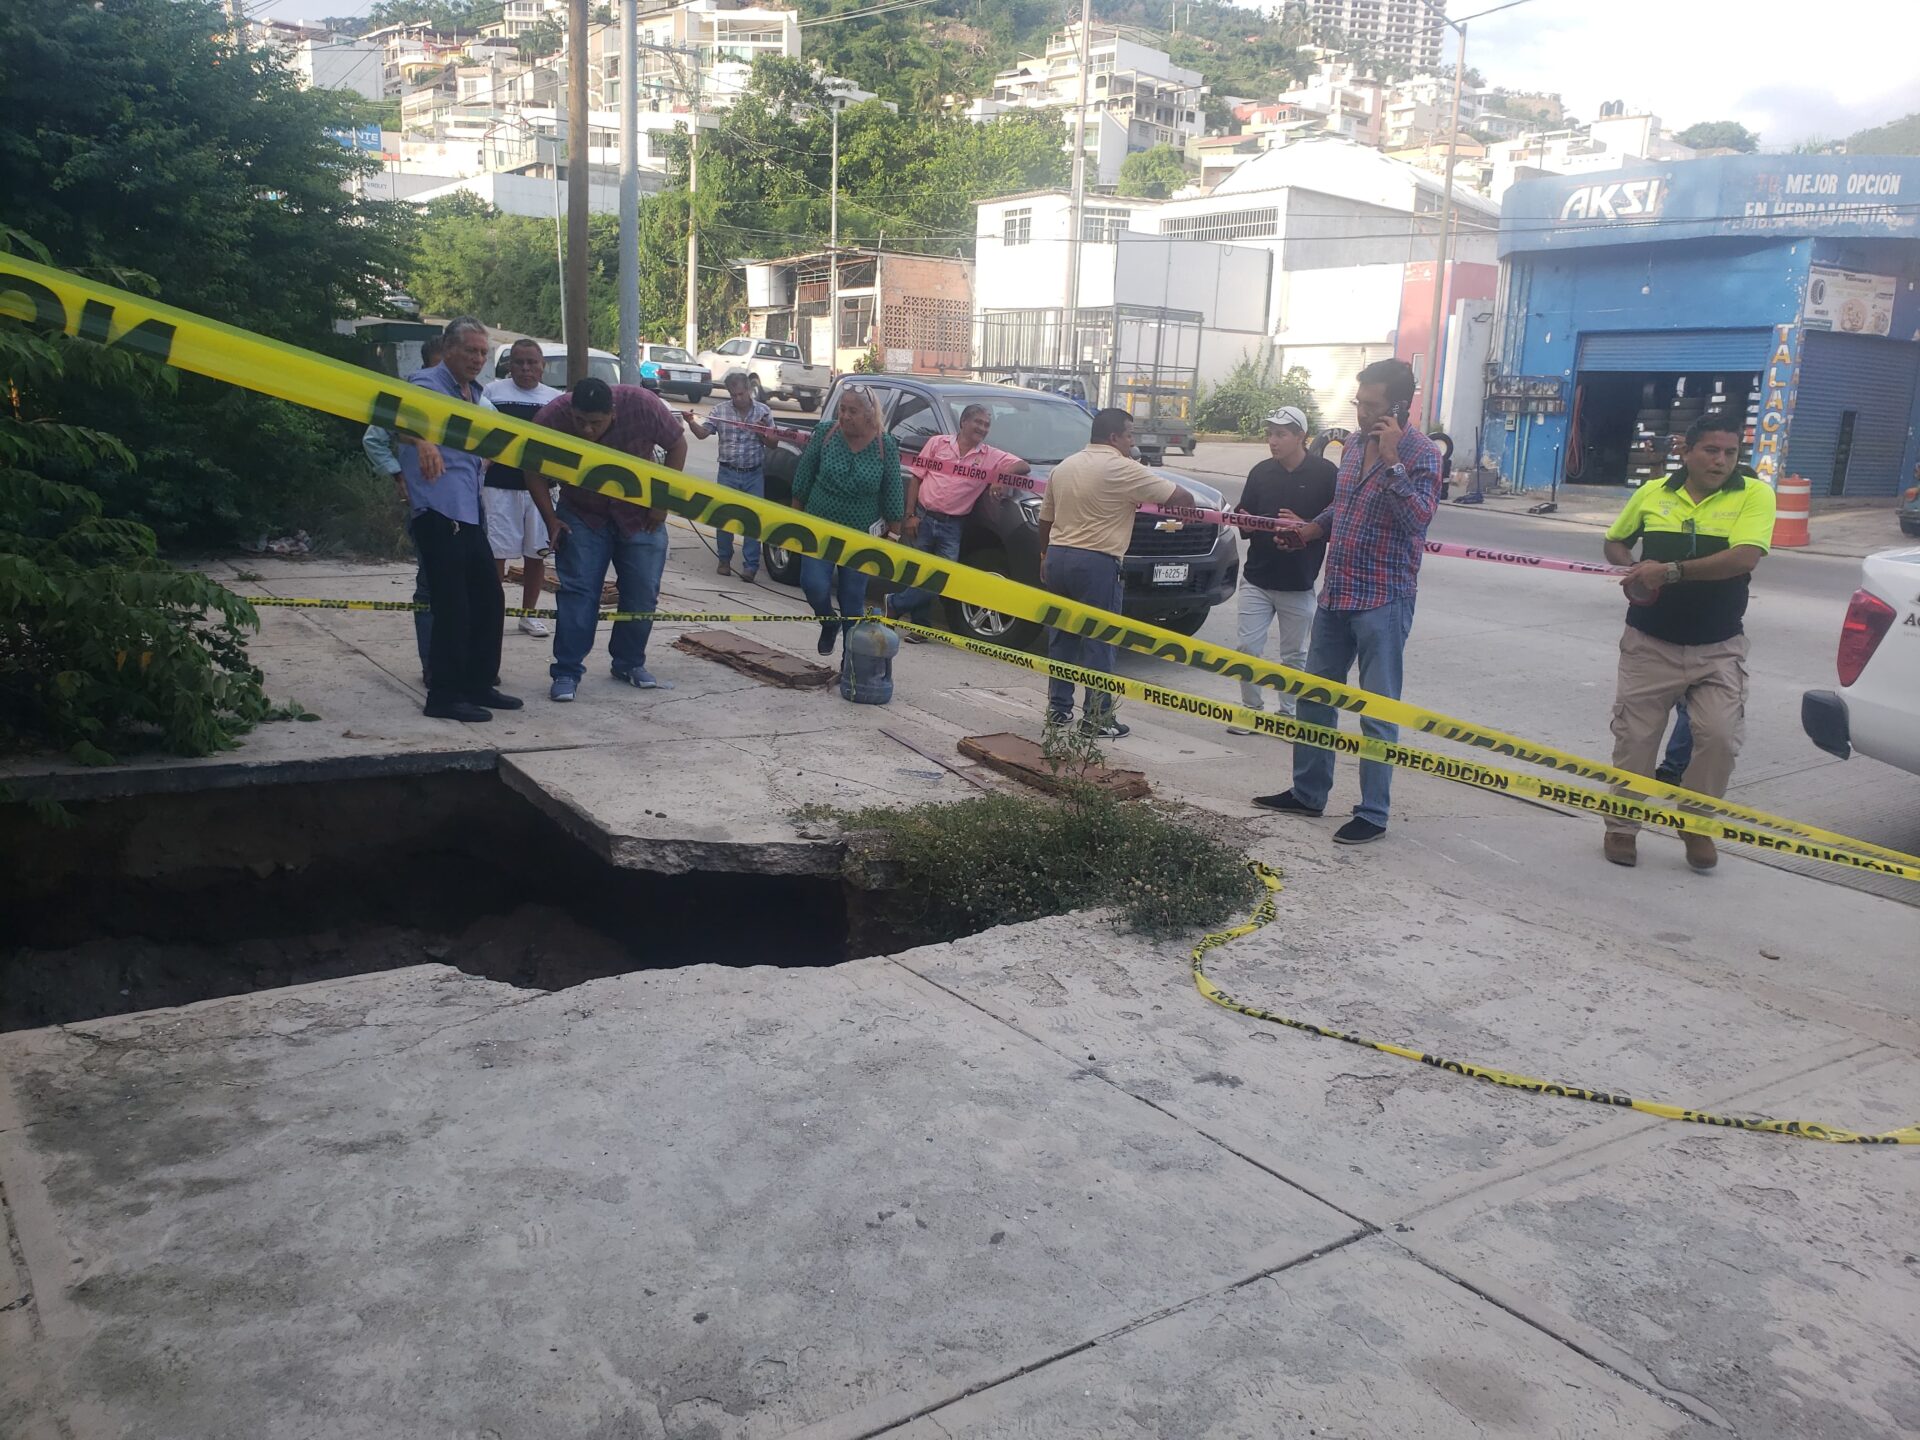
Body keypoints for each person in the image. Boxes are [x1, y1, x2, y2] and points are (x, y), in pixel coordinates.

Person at [1252, 358, 1441, 845]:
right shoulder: (1354, 446)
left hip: (1384, 598)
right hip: (1338, 592)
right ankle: (1309, 792)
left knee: (1377, 712)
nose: (1361, 415)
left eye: (1372, 406)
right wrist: (1314, 528)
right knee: (1316, 699)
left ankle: (1373, 812)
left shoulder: (1423, 454)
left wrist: (1395, 460)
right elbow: (1347, 503)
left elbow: (1418, 519)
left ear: (1400, 405)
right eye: (1359, 405)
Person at [1598, 412, 1775, 872]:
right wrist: (1631, 566)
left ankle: (1697, 825)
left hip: (1718, 647)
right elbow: (1615, 542)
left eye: (1730, 452)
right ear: (1687, 452)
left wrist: (1670, 571)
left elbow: (1743, 558)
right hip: (1649, 642)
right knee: (1635, 740)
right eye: (1711, 451)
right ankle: (1622, 826)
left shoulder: (1754, 494)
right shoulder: (1653, 493)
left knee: (1719, 737)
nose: (1721, 461)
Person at [1038, 408, 1199, 738]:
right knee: (1100, 640)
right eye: (1129, 435)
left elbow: (1045, 519)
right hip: (1096, 562)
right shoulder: (1123, 468)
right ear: (1113, 437)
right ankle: (1097, 718)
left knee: (1062, 637)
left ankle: (1058, 708)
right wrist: (1189, 512)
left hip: (1057, 557)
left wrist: (1043, 555)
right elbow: (1181, 496)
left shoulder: (1065, 466)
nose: (1132, 441)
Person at [526, 377, 687, 702]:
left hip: (640, 514)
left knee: (642, 593)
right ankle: (567, 671)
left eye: (595, 423)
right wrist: (551, 517)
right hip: (583, 514)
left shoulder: (642, 405)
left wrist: (661, 502)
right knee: (578, 594)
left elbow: (678, 445)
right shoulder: (552, 417)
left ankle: (629, 663)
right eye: (580, 422)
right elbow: (532, 467)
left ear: (612, 413)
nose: (586, 430)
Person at [395, 316, 520, 723]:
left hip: (468, 511)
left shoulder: (473, 393)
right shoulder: (427, 383)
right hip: (437, 510)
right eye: (470, 350)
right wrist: (423, 440)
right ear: (448, 348)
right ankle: (445, 695)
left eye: (483, 353)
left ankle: (478, 683)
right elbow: (398, 420)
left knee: (488, 599)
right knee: (452, 605)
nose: (477, 359)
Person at [1225, 405, 1337, 733]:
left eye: (1281, 434)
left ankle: (1289, 715)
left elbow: (1338, 522)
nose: (1273, 441)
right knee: (1247, 649)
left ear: (1301, 437)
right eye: (1270, 434)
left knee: (1295, 655)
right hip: (1257, 578)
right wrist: (1244, 519)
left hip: (1299, 582)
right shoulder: (1260, 472)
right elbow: (1245, 519)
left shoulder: (1326, 474)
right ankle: (1251, 711)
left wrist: (1306, 527)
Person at [885, 402, 1031, 640]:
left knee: (942, 577)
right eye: (978, 422)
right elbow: (916, 479)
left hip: (953, 525)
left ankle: (895, 604)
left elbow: (1023, 465)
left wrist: (1001, 477)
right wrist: (910, 515)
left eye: (986, 425)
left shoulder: (989, 456)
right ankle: (920, 627)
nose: (982, 429)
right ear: (964, 422)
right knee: (921, 573)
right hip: (923, 517)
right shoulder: (936, 444)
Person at [790, 386, 905, 656]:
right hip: (819, 527)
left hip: (861, 536)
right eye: (842, 409)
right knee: (814, 585)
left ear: (869, 414)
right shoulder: (826, 434)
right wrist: (794, 520)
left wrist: (893, 537)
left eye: (852, 411)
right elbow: (803, 477)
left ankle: (850, 666)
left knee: (853, 601)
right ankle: (829, 623)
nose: (845, 415)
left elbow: (893, 492)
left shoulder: (883, 444)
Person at [361, 335, 442, 687]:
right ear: (427, 365)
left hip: (468, 510)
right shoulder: (407, 398)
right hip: (425, 507)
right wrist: (398, 474)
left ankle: (465, 664)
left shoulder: (473, 397)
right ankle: (432, 666)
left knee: (467, 588)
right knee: (429, 586)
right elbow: (374, 439)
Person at [481, 338, 563, 637]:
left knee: (536, 553)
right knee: (496, 554)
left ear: (543, 366)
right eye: (519, 362)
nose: (526, 368)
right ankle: (490, 614)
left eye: (532, 362)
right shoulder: (491, 393)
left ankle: (528, 615)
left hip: (540, 492)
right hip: (498, 487)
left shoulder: (555, 399)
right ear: (509, 365)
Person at [684, 371, 773, 581]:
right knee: (723, 517)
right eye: (733, 395)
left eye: (741, 394)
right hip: (728, 472)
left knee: (753, 520)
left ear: (749, 390)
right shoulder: (720, 411)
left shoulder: (763, 411)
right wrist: (691, 422)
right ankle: (724, 559)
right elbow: (702, 434)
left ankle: (750, 566)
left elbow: (774, 444)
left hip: (753, 473)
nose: (737, 399)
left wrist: (763, 432)